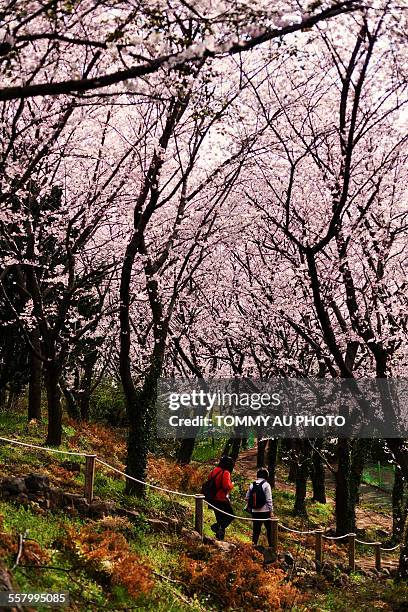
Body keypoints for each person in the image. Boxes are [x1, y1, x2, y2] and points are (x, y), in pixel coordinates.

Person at [206, 455, 234, 540]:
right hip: (221, 499)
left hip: (212, 498)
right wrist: (232, 484)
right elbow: (226, 486)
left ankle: (219, 538)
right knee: (230, 516)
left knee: (219, 518)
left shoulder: (213, 471)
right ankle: (216, 527)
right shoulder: (225, 472)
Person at [245, 468, 273, 547]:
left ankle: (254, 546)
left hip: (255, 511)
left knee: (256, 530)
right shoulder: (266, 485)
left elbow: (246, 497)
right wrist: (271, 511)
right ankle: (271, 548)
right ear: (266, 476)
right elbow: (269, 499)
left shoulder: (252, 484)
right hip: (265, 512)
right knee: (269, 530)